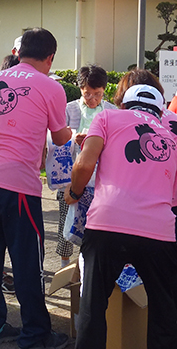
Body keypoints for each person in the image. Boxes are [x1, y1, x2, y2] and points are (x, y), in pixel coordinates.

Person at [0, 28, 72, 349]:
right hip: (15, 185)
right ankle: (36, 334)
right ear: (50, 57)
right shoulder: (51, 87)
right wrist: (79, 135)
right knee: (27, 259)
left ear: (20, 51)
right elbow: (60, 136)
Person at [68, 84, 177, 349]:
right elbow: (173, 190)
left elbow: (85, 164)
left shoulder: (107, 117)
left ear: (124, 104)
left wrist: (73, 192)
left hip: (108, 223)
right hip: (158, 230)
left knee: (93, 304)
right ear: (160, 111)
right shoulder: (169, 136)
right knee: (163, 307)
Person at [116, 69, 177, 348]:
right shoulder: (172, 116)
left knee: (164, 272)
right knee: (173, 269)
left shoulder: (142, 121)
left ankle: (173, 335)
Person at [55, 64, 115, 268]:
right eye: (87, 94)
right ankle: (65, 267)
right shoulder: (70, 109)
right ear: (80, 89)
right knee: (67, 220)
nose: (92, 99)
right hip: (72, 174)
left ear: (104, 90)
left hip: (100, 177)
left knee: (96, 223)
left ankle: (88, 264)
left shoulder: (111, 111)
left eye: (97, 94)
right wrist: (73, 138)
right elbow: (57, 140)